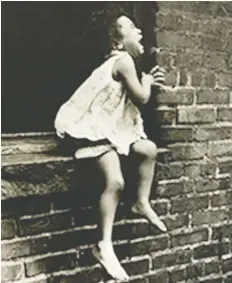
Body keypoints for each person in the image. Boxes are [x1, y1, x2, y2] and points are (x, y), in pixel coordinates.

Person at [54, 15, 167, 281]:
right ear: (117, 42)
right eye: (131, 27)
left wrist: (147, 78)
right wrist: (148, 82)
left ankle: (141, 202)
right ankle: (103, 244)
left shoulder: (122, 63)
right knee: (115, 182)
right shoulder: (123, 61)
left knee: (149, 149)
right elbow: (141, 97)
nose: (139, 30)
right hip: (93, 133)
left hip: (108, 129)